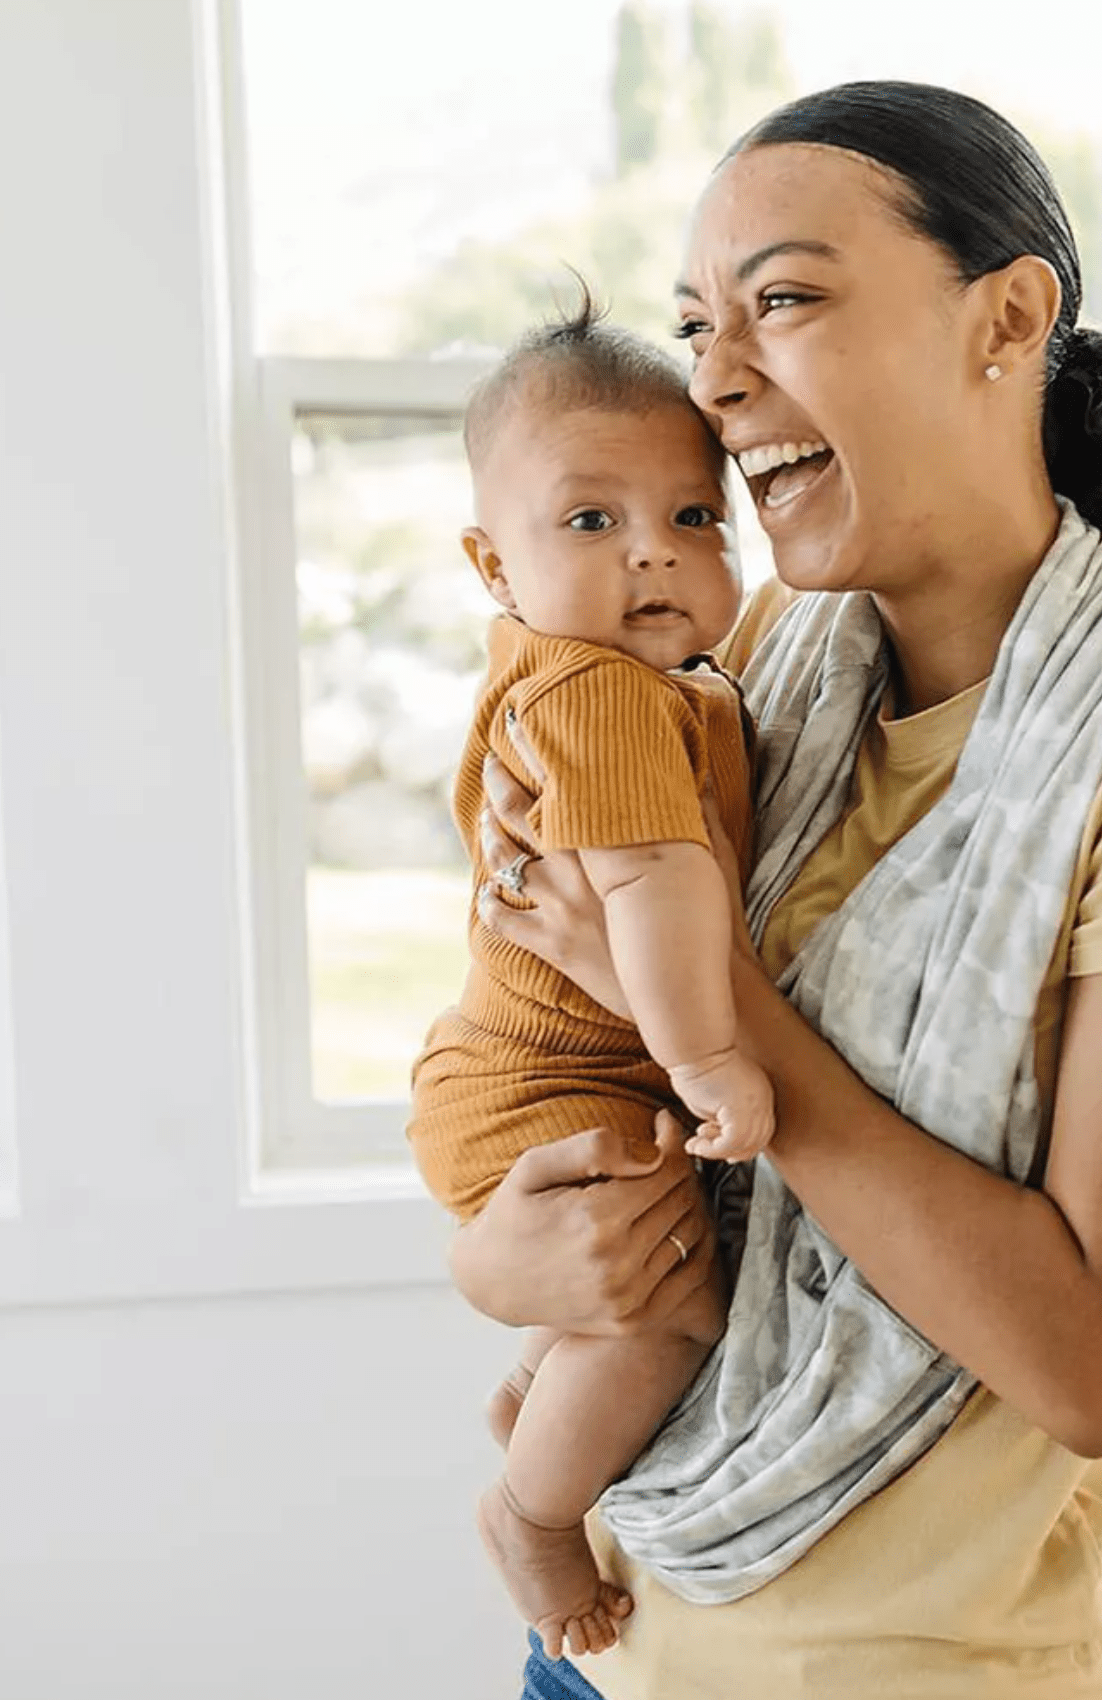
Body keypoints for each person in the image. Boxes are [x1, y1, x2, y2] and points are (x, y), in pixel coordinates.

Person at [451, 80, 1102, 1700]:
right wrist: (502, 1262)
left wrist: (718, 999)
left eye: (782, 302)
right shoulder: (750, 672)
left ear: (1004, 316)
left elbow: (1094, 1362)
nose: (715, 381)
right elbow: (574, 1060)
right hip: (607, 1645)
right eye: (696, 326)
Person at [405, 302, 773, 1664]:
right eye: (589, 522)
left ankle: (542, 1392)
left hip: (521, 1072)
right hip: (551, 1087)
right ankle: (534, 1517)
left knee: (640, 1304)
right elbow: (649, 888)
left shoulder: (621, 676)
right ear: (490, 560)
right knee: (675, 1315)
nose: (650, 555)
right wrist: (717, 1062)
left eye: (692, 519)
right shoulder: (602, 695)